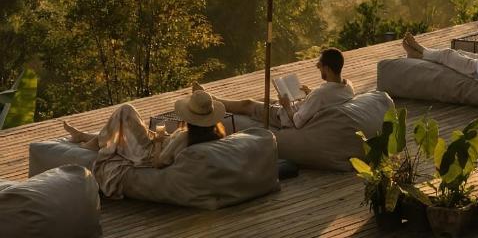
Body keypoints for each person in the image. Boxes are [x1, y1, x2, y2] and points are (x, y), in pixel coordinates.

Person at [61, 90, 227, 198]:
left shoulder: (186, 138)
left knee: (126, 111)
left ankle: (90, 142)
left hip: (147, 153)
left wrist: (158, 142)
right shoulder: (213, 134)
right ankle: (85, 137)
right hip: (159, 142)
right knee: (124, 123)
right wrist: (164, 138)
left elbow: (158, 162)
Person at [198, 47, 354, 129]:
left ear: (327, 68)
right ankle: (215, 100)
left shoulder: (321, 95)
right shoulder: (347, 86)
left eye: (319, 65)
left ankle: (211, 101)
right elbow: (327, 98)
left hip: (284, 117)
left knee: (248, 104)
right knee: (261, 100)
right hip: (299, 105)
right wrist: (310, 93)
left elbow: (298, 122)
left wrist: (286, 106)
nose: (317, 67)